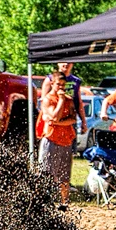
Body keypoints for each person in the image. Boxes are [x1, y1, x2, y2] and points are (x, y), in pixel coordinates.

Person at [37, 61, 82, 201]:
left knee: (64, 176)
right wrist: (61, 101)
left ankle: (64, 202)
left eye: (63, 85)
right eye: (58, 84)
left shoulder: (69, 99)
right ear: (52, 84)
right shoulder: (48, 99)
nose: (61, 87)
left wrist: (58, 122)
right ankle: (44, 202)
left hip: (66, 140)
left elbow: (73, 119)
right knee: (46, 173)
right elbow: (53, 115)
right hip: (51, 139)